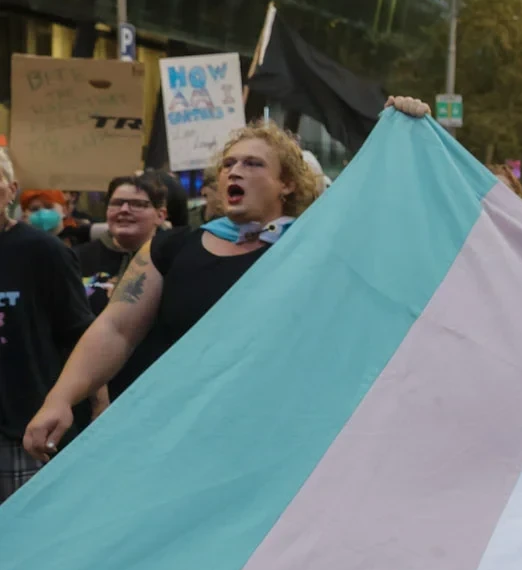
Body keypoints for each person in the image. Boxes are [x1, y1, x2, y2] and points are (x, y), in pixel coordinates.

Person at [22, 118, 326, 454]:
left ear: (288, 184)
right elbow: (116, 328)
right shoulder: (171, 247)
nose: (235, 171)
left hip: (264, 440)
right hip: (169, 437)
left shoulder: (312, 250)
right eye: (228, 164)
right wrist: (60, 398)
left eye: (253, 164)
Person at [0, 148, 95, 500]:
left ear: (11, 190)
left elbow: (81, 335)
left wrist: (97, 410)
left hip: (24, 428)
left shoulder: (44, 252)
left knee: (21, 539)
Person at [78, 175, 168, 316]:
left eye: (137, 204)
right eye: (116, 203)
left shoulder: (175, 260)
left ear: (160, 215)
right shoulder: (77, 259)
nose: (124, 210)